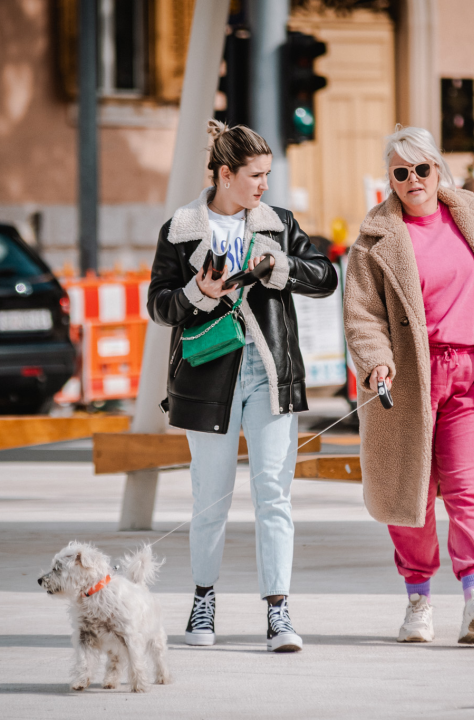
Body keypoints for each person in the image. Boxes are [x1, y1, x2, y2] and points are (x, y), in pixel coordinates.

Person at [343, 126, 474, 646]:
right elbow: (363, 315)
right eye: (401, 172)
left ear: (438, 169)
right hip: (408, 378)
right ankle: (418, 600)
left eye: (422, 168)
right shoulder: (373, 240)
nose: (412, 180)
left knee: (469, 487)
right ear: (390, 179)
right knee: (410, 491)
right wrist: (376, 362)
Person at [147, 120, 338, 652]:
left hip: (269, 373)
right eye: (255, 175)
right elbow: (158, 305)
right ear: (225, 174)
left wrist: (279, 265)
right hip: (207, 375)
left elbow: (325, 277)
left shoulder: (279, 223)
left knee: (273, 493)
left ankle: (278, 611)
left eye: (267, 175)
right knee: (210, 497)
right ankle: (203, 601)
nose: (264, 185)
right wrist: (197, 292)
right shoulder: (180, 228)